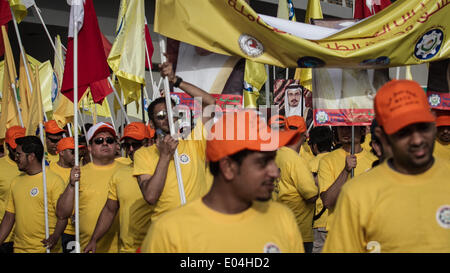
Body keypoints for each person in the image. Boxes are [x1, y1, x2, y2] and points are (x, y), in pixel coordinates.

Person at [140, 110, 304, 253]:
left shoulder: (282, 218)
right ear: (228, 167)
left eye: (273, 160)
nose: (275, 172)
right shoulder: (169, 232)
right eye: (262, 163)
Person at [323, 79, 450, 252]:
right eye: (403, 132)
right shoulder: (357, 195)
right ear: (381, 136)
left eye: (423, 127)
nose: (418, 140)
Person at [133, 60, 215, 222]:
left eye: (171, 113)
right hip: (167, 232)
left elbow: (209, 103)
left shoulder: (194, 142)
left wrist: (176, 81)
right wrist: (164, 156)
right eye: (161, 116)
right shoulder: (143, 155)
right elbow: (150, 196)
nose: (168, 118)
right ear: (151, 123)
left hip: (198, 227)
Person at [84, 122, 153, 253]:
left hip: (155, 246)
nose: (131, 149)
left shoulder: (163, 168)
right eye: (127, 145)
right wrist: (94, 239)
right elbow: (110, 210)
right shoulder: (120, 174)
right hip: (127, 249)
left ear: (149, 143)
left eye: (136, 144)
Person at [57, 122, 127, 253]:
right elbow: (62, 213)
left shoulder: (129, 170)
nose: (105, 143)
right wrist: (71, 185)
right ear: (90, 148)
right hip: (88, 247)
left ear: (116, 146)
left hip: (123, 248)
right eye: (99, 140)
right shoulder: (79, 174)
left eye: (110, 140)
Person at [0, 136, 67, 253]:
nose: (15, 158)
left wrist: (55, 237)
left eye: (18, 155)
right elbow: (9, 216)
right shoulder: (16, 181)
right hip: (19, 249)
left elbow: (63, 216)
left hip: (46, 249)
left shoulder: (53, 181)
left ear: (31, 156)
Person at [318, 125, 377, 233]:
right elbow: (327, 202)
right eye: (341, 127)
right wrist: (346, 171)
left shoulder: (374, 161)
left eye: (350, 127)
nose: (345, 131)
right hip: (338, 232)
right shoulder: (327, 161)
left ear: (363, 130)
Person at [273, 115, 318, 253]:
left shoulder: (277, 154)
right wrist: (316, 181)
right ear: (305, 134)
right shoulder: (296, 161)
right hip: (299, 231)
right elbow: (311, 195)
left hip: (279, 228)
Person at [49, 137, 83, 253]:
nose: (76, 155)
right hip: (62, 230)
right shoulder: (50, 171)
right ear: (62, 153)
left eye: (78, 151)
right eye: (72, 152)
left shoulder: (80, 169)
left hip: (80, 229)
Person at [306, 126, 333, 253]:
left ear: (315, 146)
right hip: (337, 219)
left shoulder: (310, 164)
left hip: (319, 221)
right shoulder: (338, 159)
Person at [0, 126, 26, 253]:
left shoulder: (37, 165)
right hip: (5, 238)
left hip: (29, 238)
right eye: (14, 148)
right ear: (6, 145)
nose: (18, 152)